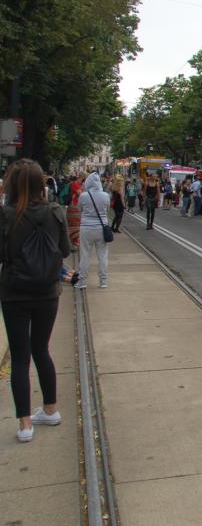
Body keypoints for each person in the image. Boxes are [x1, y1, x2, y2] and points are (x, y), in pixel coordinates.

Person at [0, 159, 71, 442]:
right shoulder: (55, 211)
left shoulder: (6, 214)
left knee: (20, 357)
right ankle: (51, 410)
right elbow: (64, 249)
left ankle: (25, 424)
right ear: (41, 183)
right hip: (47, 291)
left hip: (14, 291)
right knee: (42, 349)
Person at [77, 172, 111, 289]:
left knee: (85, 255)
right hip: (102, 228)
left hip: (86, 228)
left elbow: (79, 209)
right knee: (102, 255)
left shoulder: (83, 195)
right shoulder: (105, 195)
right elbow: (107, 210)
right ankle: (103, 281)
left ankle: (82, 281)